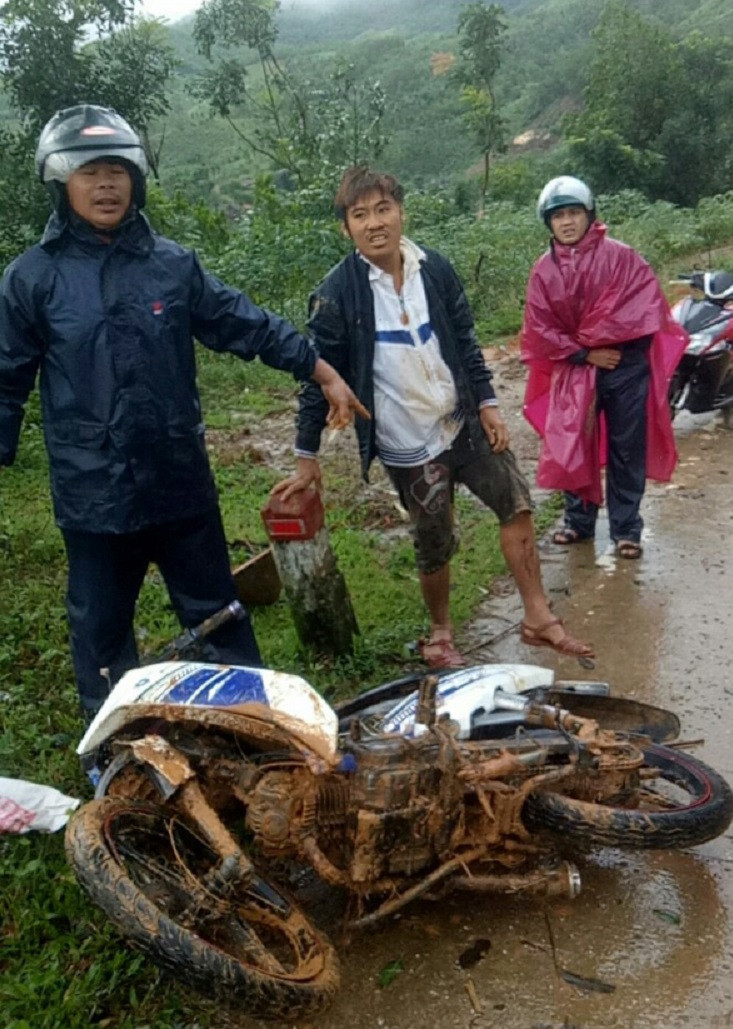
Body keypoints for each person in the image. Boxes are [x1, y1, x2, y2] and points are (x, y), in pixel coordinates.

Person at [0, 104, 368, 720]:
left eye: (118, 169)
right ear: (61, 182)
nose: (106, 184)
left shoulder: (171, 266)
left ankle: (251, 728)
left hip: (180, 485)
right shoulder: (32, 279)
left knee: (218, 618)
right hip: (93, 496)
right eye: (90, 172)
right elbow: (5, 376)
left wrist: (319, 368)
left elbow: (241, 322)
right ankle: (117, 749)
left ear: (137, 178)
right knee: (101, 634)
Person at [272, 164, 593, 669]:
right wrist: (305, 454)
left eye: (383, 209)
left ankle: (537, 616)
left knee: (516, 503)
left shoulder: (434, 269)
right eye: (361, 215)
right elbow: (320, 377)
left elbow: (464, 339)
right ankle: (441, 632)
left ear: (401, 212)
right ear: (346, 227)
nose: (375, 223)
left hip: (462, 420)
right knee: (433, 539)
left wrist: (487, 402)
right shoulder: (336, 293)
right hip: (405, 439)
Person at [521, 176, 688, 559]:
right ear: (548, 222)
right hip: (576, 367)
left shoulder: (622, 256)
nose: (567, 222)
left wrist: (614, 345)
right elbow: (540, 328)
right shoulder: (543, 271)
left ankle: (626, 529)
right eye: (558, 215)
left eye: (574, 213)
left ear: (589, 214)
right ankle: (577, 522)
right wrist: (586, 353)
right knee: (571, 442)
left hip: (625, 368)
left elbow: (647, 308)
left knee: (626, 449)